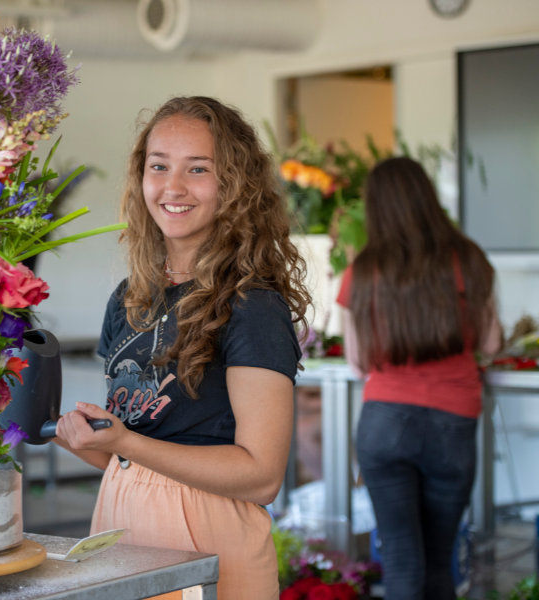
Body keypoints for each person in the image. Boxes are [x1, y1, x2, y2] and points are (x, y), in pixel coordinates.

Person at [52, 96, 310, 599]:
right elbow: (133, 456)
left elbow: (261, 476)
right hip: (121, 527)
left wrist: (127, 443)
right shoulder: (129, 299)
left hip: (211, 539)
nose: (173, 187)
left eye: (198, 169)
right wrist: (84, 438)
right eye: (159, 166)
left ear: (235, 185)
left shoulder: (251, 304)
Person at [338, 157, 503, 600]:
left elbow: (357, 364)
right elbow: (490, 342)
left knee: (402, 561)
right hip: (454, 423)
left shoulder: (364, 271)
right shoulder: (469, 260)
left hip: (385, 422)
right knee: (438, 561)